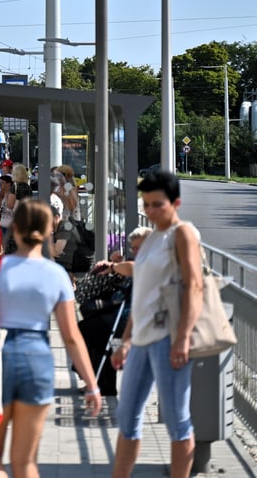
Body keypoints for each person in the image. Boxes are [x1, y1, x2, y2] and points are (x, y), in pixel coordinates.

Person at [0, 200, 102, 478]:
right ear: (50, 229)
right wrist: (92, 384)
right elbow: (71, 337)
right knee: (26, 462)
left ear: (14, 228)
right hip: (37, 361)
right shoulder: (58, 275)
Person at [109, 170, 203, 478]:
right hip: (141, 340)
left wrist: (183, 338)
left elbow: (194, 285)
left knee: (177, 420)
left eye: (157, 204)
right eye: (146, 204)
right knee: (127, 417)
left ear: (176, 203)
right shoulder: (150, 239)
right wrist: (125, 340)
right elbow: (144, 295)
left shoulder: (183, 233)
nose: (150, 211)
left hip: (168, 338)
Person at [75, 227, 152, 397]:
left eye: (139, 247)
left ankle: (98, 381)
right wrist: (114, 265)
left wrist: (113, 266)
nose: (136, 251)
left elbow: (134, 268)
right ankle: (99, 381)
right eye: (134, 248)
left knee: (90, 329)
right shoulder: (141, 260)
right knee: (90, 325)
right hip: (123, 311)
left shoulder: (150, 261)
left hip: (134, 317)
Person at [3, 163, 33, 254]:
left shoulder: (14, 187)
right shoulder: (28, 188)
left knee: (11, 241)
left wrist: (7, 196)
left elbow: (10, 205)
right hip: (25, 219)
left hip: (15, 219)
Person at [0, 174, 14, 241]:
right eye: (0, 183)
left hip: (10, 225)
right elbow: (0, 200)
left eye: (2, 183)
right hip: (3, 224)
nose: (0, 185)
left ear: (8, 184)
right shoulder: (4, 193)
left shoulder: (13, 194)